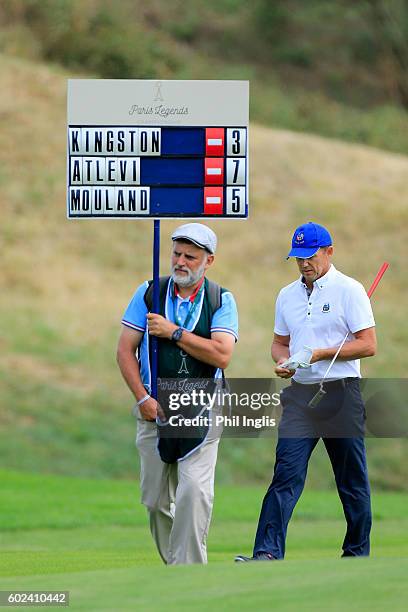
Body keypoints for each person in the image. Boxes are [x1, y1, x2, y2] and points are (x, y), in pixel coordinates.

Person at [235, 221, 376, 562]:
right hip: (300, 395)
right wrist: (284, 361)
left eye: (310, 256)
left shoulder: (350, 290)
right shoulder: (287, 295)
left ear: (329, 252)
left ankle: (356, 554)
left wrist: (320, 353)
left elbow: (368, 345)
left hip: (341, 394)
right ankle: (267, 553)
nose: (303, 264)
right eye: (297, 258)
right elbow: (279, 343)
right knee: (285, 476)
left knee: (351, 481)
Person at [117, 223, 238, 565]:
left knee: (193, 494)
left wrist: (173, 333)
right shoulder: (148, 292)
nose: (180, 262)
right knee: (155, 501)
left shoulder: (221, 300)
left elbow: (222, 354)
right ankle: (177, 564)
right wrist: (142, 398)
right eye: (176, 254)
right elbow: (125, 350)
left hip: (202, 407)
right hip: (154, 409)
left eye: (190, 256)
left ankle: (189, 574)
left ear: (209, 261)